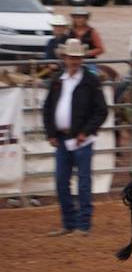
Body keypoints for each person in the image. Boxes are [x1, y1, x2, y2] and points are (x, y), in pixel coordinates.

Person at [43, 38, 108, 236]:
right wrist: (51, 133)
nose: (74, 61)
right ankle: (69, 223)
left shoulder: (90, 80)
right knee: (62, 182)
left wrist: (85, 132)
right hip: (63, 138)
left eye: (77, 57)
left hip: (82, 139)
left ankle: (82, 224)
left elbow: (101, 111)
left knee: (83, 182)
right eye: (71, 57)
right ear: (65, 58)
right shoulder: (58, 80)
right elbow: (48, 109)